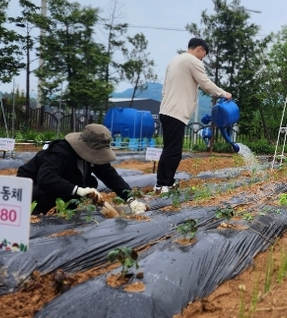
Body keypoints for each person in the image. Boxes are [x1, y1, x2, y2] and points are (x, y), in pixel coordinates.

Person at [155, 38, 232, 194]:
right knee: (173, 151)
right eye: (203, 54)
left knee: (170, 148)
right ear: (199, 49)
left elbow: (164, 89)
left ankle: (167, 182)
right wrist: (224, 93)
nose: (202, 58)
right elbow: (205, 83)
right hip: (176, 112)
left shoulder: (174, 61)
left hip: (166, 110)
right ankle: (162, 185)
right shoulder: (192, 61)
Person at [17, 123, 147, 215]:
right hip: (31, 190)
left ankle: (65, 212)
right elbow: (46, 179)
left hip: (58, 187)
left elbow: (111, 177)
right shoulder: (60, 153)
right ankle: (40, 216)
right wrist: (78, 190)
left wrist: (131, 200)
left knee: (90, 183)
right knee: (71, 187)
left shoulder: (92, 159)